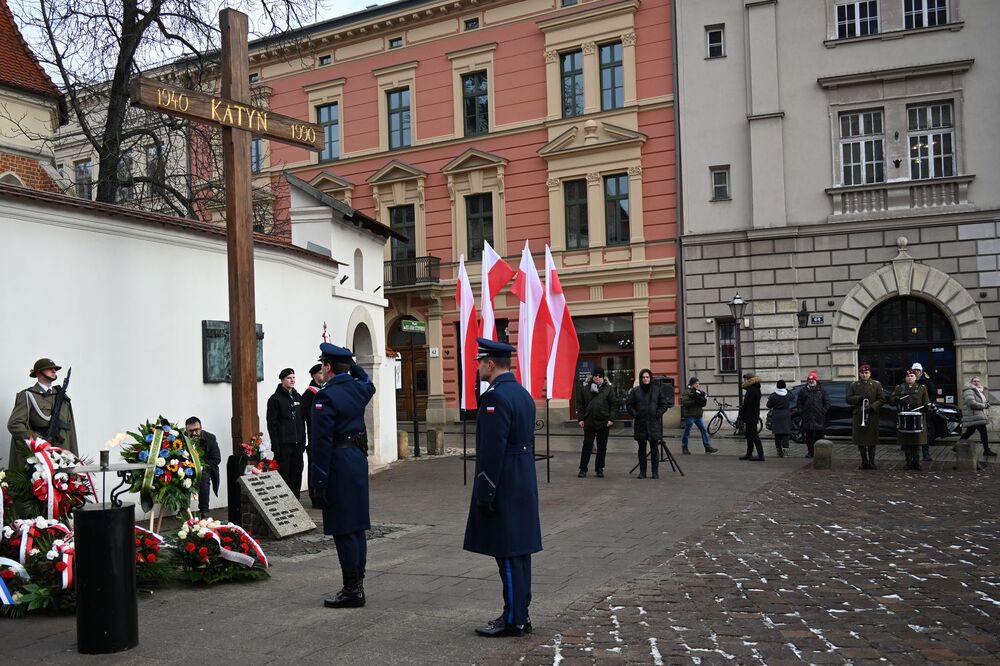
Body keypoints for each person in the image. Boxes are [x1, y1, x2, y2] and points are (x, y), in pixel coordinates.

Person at [464, 338, 541, 637]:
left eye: (480, 362)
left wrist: (486, 492)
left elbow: (492, 451)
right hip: (522, 477)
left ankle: (513, 619)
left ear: (490, 363)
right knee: (520, 552)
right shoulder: (522, 393)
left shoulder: (495, 397)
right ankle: (521, 612)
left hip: (504, 480)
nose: (478, 366)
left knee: (507, 552)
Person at [311, 343, 376, 609]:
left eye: (324, 365)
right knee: (357, 526)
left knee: (343, 529)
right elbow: (367, 381)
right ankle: (357, 584)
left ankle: (352, 590)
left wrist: (318, 480)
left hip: (337, 463)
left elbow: (320, 442)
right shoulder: (358, 389)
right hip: (357, 461)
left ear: (327, 367)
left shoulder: (325, 397)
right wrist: (351, 364)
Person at [7, 358, 78, 470]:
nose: (54, 370)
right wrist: (37, 441)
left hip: (63, 457)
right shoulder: (28, 395)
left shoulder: (62, 397)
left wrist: (74, 458)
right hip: (39, 459)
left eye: (55, 369)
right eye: (50, 369)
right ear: (39, 373)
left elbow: (70, 431)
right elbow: (14, 424)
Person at [266, 367, 306, 498]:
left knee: (297, 473)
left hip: (297, 443)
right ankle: (284, 501)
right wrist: (276, 445)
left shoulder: (298, 397)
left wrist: (303, 440)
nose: (292, 380)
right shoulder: (275, 399)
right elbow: (272, 424)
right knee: (283, 474)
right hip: (284, 444)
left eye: (293, 377)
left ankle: (296, 501)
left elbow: (301, 421)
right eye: (289, 378)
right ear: (282, 380)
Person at [626, 369, 670, 478]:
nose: (646, 379)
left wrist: (657, 414)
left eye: (647, 377)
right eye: (644, 377)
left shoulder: (657, 390)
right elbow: (629, 405)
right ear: (641, 379)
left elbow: (664, 404)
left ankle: (655, 472)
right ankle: (642, 472)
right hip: (640, 424)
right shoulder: (635, 391)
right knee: (642, 449)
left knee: (654, 449)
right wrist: (636, 414)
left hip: (653, 424)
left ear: (650, 378)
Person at [575, 368, 618, 478]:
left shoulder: (608, 389)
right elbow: (580, 405)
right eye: (595, 376)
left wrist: (611, 419)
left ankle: (600, 468)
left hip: (603, 422)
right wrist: (580, 419)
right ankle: (583, 469)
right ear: (592, 377)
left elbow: (614, 405)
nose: (597, 378)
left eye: (599, 376)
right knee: (587, 446)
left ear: (603, 378)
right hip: (589, 422)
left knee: (602, 447)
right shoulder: (585, 389)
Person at [890, 369, 930, 471]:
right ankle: (908, 462)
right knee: (906, 441)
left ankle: (916, 463)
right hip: (904, 418)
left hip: (917, 418)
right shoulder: (899, 388)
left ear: (916, 377)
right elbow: (891, 401)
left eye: (912, 376)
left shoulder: (921, 388)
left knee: (917, 441)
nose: (909, 378)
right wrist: (896, 399)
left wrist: (926, 406)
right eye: (908, 376)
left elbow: (926, 401)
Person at [299, 363, 326, 507]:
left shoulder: (325, 390)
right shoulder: (309, 394)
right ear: (314, 375)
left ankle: (324, 495)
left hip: (325, 436)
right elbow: (304, 416)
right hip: (314, 436)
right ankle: (315, 496)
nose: (323, 375)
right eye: (320, 373)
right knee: (314, 467)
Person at [846, 364, 884, 470]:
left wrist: (872, 407)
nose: (864, 375)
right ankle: (864, 461)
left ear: (870, 373)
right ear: (859, 374)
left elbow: (881, 399)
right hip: (859, 415)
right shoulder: (854, 385)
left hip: (872, 415)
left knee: (871, 440)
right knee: (861, 440)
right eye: (862, 373)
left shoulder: (876, 384)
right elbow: (848, 399)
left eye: (866, 373)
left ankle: (872, 462)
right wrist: (859, 398)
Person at [185, 417, 221, 517]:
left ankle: (204, 511)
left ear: (201, 427)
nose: (194, 433)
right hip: (187, 467)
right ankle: (183, 508)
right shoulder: (183, 438)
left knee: (204, 477)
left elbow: (216, 459)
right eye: (191, 431)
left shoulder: (210, 438)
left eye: (197, 430)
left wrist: (201, 466)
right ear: (186, 430)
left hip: (205, 468)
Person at [796, 371, 830, 458]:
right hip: (808, 417)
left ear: (816, 380)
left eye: (812, 379)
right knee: (809, 437)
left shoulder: (822, 391)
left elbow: (827, 402)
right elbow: (799, 402)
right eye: (809, 379)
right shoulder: (803, 391)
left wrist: (823, 411)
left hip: (819, 418)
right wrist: (801, 412)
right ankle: (810, 452)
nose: (811, 381)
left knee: (819, 437)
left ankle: (819, 453)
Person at [679, 377, 717, 454]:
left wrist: (702, 400)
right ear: (692, 384)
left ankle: (707, 447)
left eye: (698, 383)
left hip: (698, 415)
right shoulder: (687, 392)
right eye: (696, 383)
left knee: (704, 430)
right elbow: (684, 402)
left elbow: (701, 402)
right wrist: (695, 401)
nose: (698, 385)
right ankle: (684, 447)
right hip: (690, 415)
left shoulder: (698, 391)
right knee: (687, 432)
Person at [958, 376, 994, 457]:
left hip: (976, 415)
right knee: (983, 432)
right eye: (974, 381)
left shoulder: (978, 391)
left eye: (978, 381)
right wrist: (984, 406)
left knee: (969, 432)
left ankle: (956, 447)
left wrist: (986, 404)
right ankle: (986, 450)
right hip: (974, 415)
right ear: (971, 382)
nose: (977, 382)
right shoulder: (969, 391)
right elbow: (972, 404)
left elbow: (980, 401)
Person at [911, 362, 937, 462]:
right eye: (915, 370)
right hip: (912, 410)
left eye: (918, 370)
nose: (916, 372)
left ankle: (926, 453)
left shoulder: (926, 381)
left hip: (923, 410)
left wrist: (928, 404)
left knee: (924, 432)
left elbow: (932, 393)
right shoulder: (909, 380)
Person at [739, 372, 764, 461]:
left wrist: (741, 411)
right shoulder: (755, 389)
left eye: (745, 379)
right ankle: (749, 453)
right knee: (749, 435)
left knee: (753, 435)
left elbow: (747, 404)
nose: (744, 381)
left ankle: (760, 454)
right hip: (752, 415)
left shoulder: (752, 390)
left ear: (749, 380)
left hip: (751, 416)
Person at [766, 380, 792, 458]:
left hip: (776, 415)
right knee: (785, 434)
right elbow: (792, 396)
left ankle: (779, 451)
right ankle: (786, 452)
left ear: (777, 386)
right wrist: (787, 389)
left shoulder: (773, 395)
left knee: (777, 434)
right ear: (784, 386)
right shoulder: (787, 394)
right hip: (785, 415)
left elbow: (768, 405)